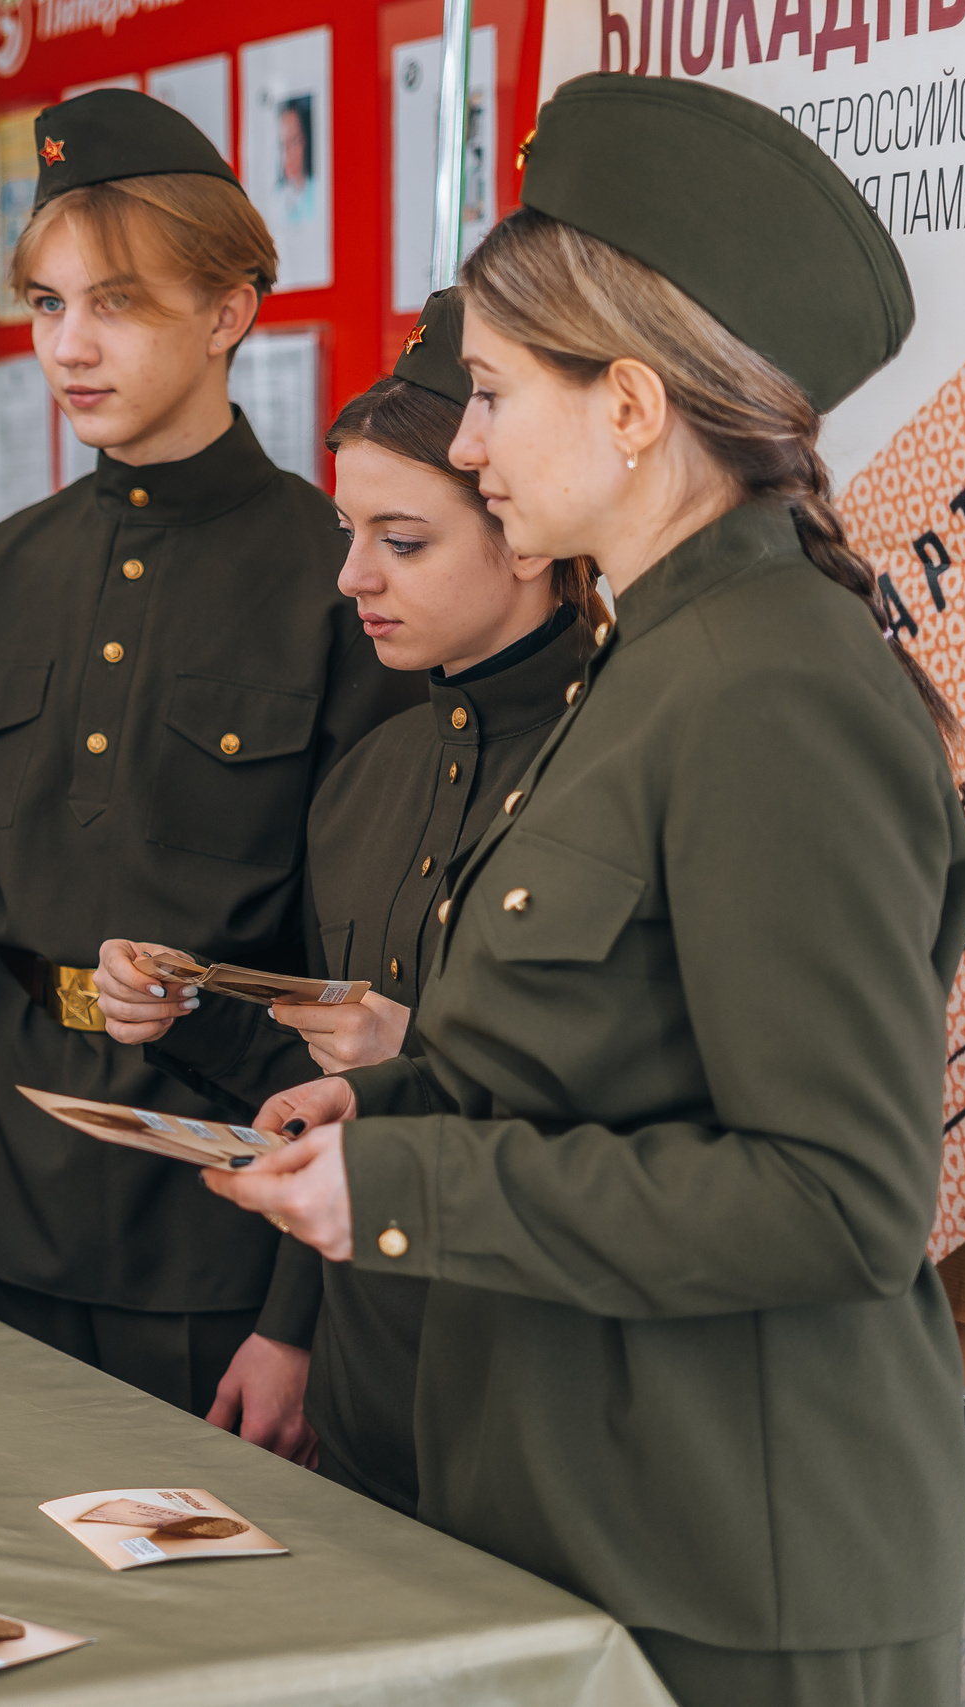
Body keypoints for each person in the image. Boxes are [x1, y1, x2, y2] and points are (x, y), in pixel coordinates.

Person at [211, 76, 965, 1706]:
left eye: (488, 394)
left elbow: (835, 1201)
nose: (466, 440)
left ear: (630, 406)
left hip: (728, 1576)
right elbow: (622, 1062)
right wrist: (388, 1117)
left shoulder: (772, 690)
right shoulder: (662, 664)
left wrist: (418, 1188)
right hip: (598, 1526)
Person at [0, 89, 415, 1434]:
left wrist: (296, 1317)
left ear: (231, 307)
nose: (70, 345)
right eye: (49, 304)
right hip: (5, 1217)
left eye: (114, 302)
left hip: (227, 1233)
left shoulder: (335, 581)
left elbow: (358, 990)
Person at [97, 288, 601, 1509]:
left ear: (526, 534)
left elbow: (648, 1101)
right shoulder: (369, 782)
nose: (351, 575)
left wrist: (413, 1050)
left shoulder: (616, 763)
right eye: (345, 529)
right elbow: (317, 1094)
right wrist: (190, 1015)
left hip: (547, 1386)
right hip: (373, 1373)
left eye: (402, 540)